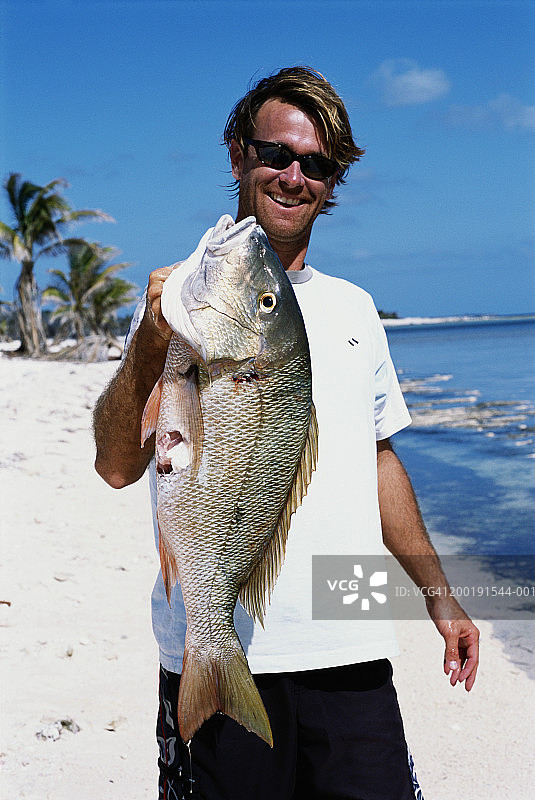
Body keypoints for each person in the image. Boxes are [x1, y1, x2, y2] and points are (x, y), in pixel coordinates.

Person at [93, 67, 480, 800]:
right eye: (276, 154)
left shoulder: (356, 308)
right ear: (238, 155)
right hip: (216, 652)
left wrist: (439, 595)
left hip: (351, 639)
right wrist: (151, 340)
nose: (294, 177)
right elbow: (116, 465)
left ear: (333, 183)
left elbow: (378, 462)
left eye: (317, 165)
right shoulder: (174, 308)